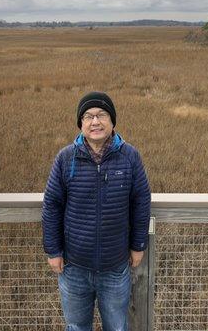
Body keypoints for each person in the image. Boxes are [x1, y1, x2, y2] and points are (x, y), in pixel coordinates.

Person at [42, 91, 151, 331]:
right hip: (74, 268)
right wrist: (53, 250)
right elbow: (52, 205)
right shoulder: (65, 158)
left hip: (115, 268)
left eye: (102, 115)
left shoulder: (130, 157)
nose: (95, 122)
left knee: (117, 327)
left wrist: (137, 246)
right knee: (77, 327)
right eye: (88, 116)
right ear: (80, 123)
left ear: (112, 122)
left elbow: (141, 202)